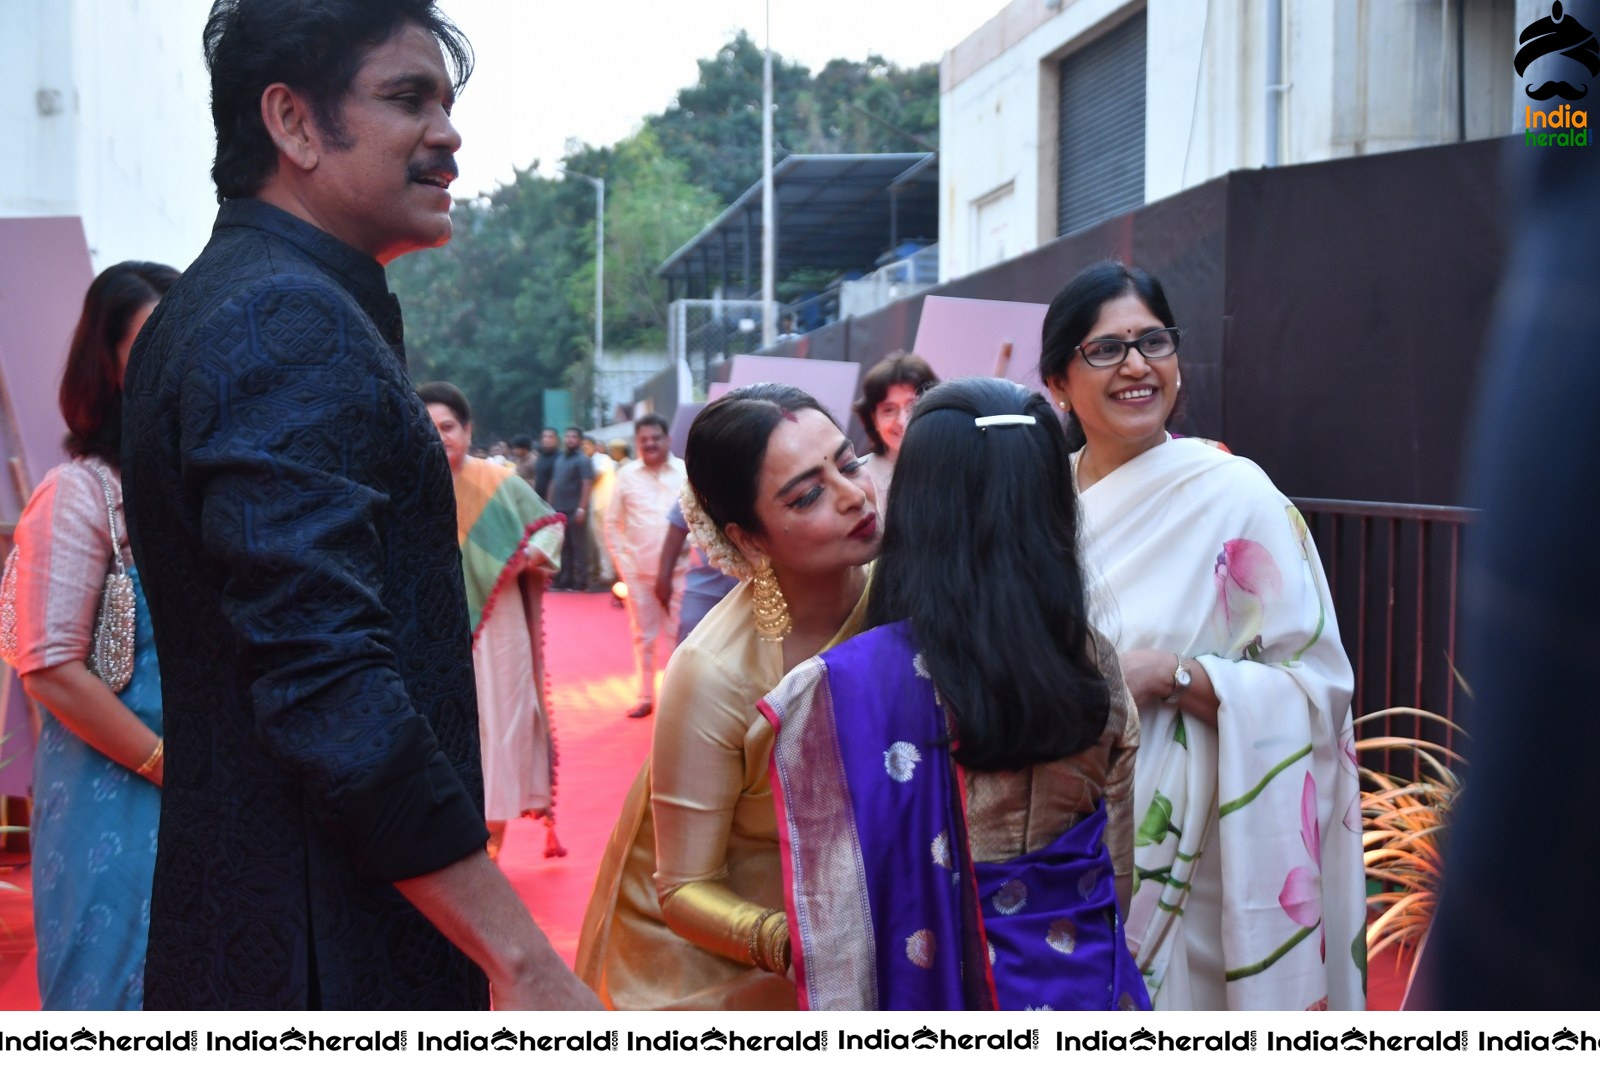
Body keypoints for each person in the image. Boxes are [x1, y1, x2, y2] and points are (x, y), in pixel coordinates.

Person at [119, 0, 595, 1010]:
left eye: (448, 101)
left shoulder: (241, 296)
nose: (448, 134)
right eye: (406, 98)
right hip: (326, 949)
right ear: (291, 122)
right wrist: (524, 958)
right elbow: (326, 682)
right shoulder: (279, 314)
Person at [1037, 261, 1364, 1010]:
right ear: (1058, 381)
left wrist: (1173, 675)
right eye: (1105, 349)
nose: (1136, 366)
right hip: (1067, 841)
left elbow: (1318, 688)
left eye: (1152, 341)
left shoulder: (1236, 494)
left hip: (1211, 861)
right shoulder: (1037, 507)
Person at [761, 377, 1147, 1010]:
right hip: (1093, 989)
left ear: (919, 505)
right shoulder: (1096, 662)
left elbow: (839, 923)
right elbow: (1118, 878)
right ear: (1055, 503)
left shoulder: (844, 689)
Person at [575, 384, 883, 1009]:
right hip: (712, 973)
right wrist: (806, 945)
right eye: (808, 494)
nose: (853, 495)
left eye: (848, 463)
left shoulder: (905, 590)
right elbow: (683, 889)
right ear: (749, 540)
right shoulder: (715, 672)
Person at [4, 261, 177, 1009]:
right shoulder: (81, 492)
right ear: (106, 365)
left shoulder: (201, 479)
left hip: (215, 796)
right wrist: (170, 764)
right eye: (152, 343)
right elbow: (48, 667)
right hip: (118, 790)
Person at [420, 381, 563, 863]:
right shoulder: (406, 487)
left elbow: (552, 526)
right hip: (431, 628)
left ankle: (491, 836)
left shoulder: (496, 483)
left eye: (448, 427)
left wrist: (529, 558)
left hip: (497, 626)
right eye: (429, 427)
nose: (440, 437)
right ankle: (452, 832)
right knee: (444, 726)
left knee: (499, 721)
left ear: (467, 430)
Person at [602, 414, 688, 719]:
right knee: (644, 635)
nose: (650, 444)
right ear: (637, 443)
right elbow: (612, 523)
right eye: (644, 440)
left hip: (682, 570)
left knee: (680, 635)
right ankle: (646, 696)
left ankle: (677, 699)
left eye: (656, 438)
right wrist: (624, 563)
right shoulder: (626, 475)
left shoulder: (684, 472)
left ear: (668, 439)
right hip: (638, 573)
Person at [851, 352, 939, 508]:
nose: (902, 420)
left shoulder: (958, 464)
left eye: (913, 406)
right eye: (889, 410)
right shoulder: (858, 479)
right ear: (873, 419)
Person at [656, 499, 738, 642]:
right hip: (704, 583)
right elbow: (677, 527)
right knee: (690, 633)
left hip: (752, 582)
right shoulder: (695, 487)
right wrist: (663, 576)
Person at [547, 426, 593, 590]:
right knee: (563, 547)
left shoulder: (583, 460)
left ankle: (581, 582)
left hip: (575, 510)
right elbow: (554, 483)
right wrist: (549, 506)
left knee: (578, 547)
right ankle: (563, 580)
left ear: (580, 440)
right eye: (567, 437)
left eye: (573, 437)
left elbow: (587, 484)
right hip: (559, 509)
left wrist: (582, 508)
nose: (570, 440)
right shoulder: (560, 459)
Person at [529, 427, 559, 502]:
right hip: (538, 500)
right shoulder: (540, 456)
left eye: (550, 437)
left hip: (553, 502)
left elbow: (554, 483)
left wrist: (549, 504)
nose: (547, 439)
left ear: (556, 440)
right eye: (544, 437)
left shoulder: (560, 458)